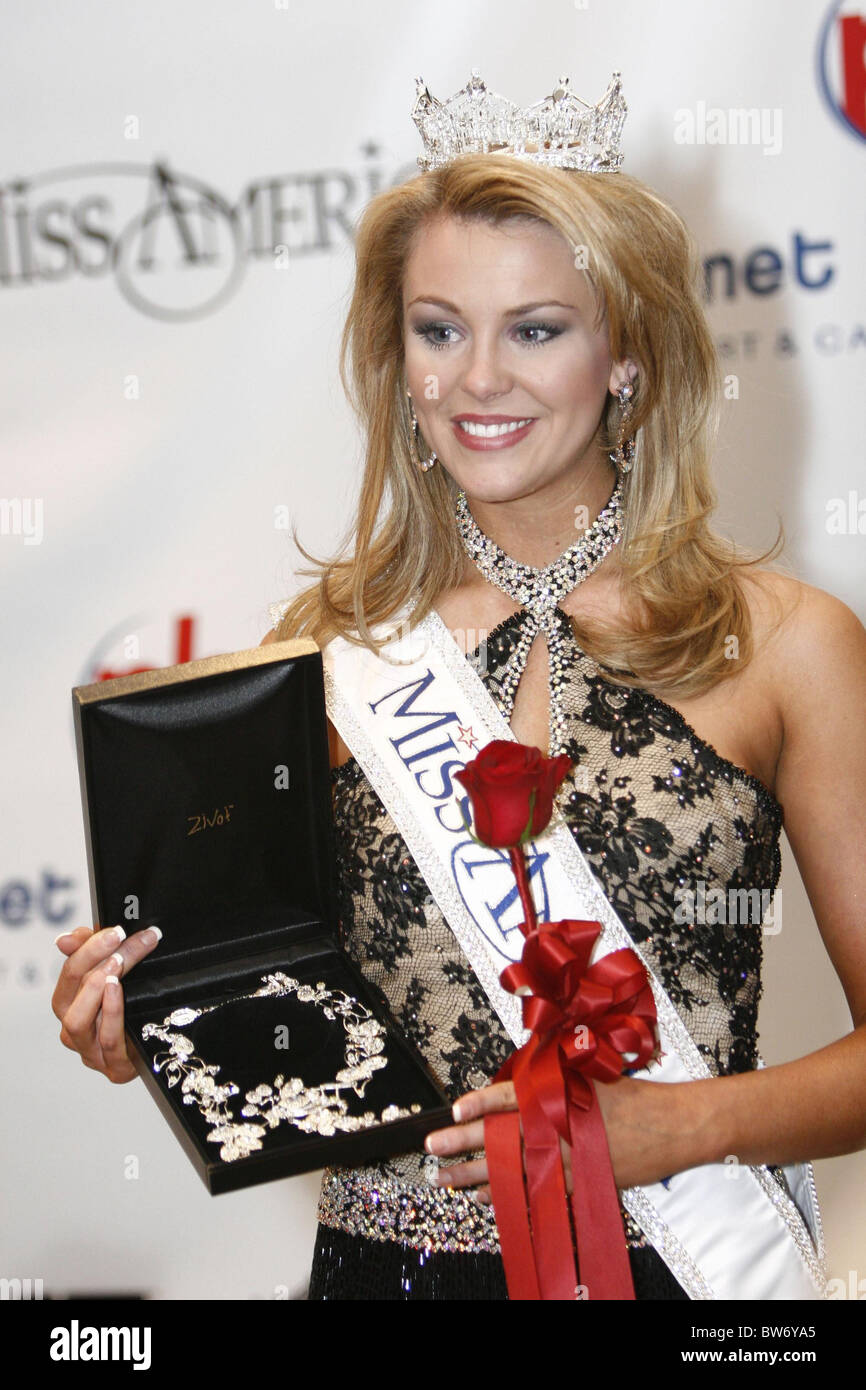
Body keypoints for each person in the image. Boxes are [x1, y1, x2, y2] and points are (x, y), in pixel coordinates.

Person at [52, 72, 866, 1302]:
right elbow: (265, 1024)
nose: (477, 378)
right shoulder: (324, 654)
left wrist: (686, 1125)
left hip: (689, 1272)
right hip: (381, 1277)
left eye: (535, 328)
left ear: (628, 353)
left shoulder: (787, 644)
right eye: (439, 329)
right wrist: (142, 1025)